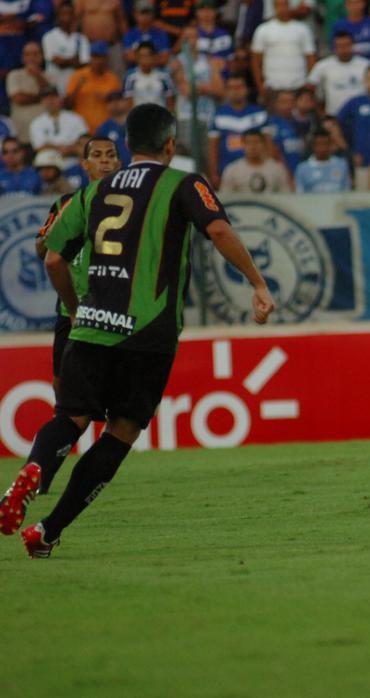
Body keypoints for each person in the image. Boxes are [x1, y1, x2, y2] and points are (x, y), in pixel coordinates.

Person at [0, 103, 275, 558]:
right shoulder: (182, 183)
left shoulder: (94, 191)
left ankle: (32, 469)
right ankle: (47, 530)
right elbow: (220, 231)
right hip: (147, 332)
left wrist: (74, 310)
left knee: (70, 419)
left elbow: (52, 257)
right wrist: (257, 283)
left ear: (126, 146)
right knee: (122, 430)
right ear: (171, 145)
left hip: (89, 328)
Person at [32, 137, 121, 495]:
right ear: (83, 165)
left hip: (114, 312)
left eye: (110, 155)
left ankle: (85, 473)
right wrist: (58, 231)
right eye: (96, 156)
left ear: (119, 162)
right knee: (64, 398)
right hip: (72, 311)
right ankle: (46, 477)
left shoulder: (128, 206)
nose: (104, 161)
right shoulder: (67, 202)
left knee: (113, 403)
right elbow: (42, 248)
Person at [207, 74, 270, 185]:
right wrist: (213, 173)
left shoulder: (259, 113)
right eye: (231, 88)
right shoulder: (219, 115)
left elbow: (268, 143)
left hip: (257, 172)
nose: (236, 91)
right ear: (227, 91)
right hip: (227, 172)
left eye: (239, 87)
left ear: (247, 89)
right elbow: (213, 148)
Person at [251, 0, 317, 93]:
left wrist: (310, 83)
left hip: (299, 85)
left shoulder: (302, 29)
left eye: (284, 4)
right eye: (278, 5)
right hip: (272, 86)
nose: (282, 8)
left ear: (289, 5)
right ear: (274, 7)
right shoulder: (263, 30)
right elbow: (256, 61)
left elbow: (311, 57)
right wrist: (260, 86)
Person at [306, 30, 370, 116]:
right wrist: (320, 112)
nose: (343, 49)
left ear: (352, 45)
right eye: (340, 46)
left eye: (346, 45)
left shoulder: (366, 65)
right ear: (334, 47)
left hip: (361, 115)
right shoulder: (322, 66)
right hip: (333, 116)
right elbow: (309, 88)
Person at [221, 129, 294, 192]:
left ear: (264, 144)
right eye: (248, 143)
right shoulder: (232, 170)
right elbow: (226, 197)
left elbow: (286, 196)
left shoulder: (277, 169)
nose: (253, 147)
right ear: (243, 145)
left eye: (256, 142)